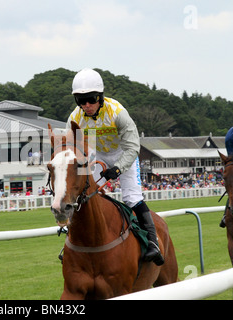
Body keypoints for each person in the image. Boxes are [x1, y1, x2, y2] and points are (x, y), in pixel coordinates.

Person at [66, 68, 164, 265]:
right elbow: (71, 150)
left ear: (100, 97)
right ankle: (71, 239)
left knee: (132, 197)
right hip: (97, 155)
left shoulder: (118, 112)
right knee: (85, 196)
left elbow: (133, 147)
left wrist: (118, 169)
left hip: (124, 154)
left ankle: (153, 242)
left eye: (91, 99)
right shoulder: (74, 119)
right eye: (81, 101)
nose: (87, 105)